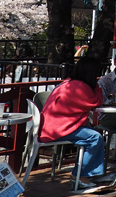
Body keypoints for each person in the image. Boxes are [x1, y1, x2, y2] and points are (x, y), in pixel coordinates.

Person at [39, 56, 105, 188]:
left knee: (94, 133)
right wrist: (97, 87)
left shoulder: (69, 83)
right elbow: (96, 102)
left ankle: (88, 173)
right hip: (60, 129)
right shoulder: (81, 87)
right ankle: (79, 175)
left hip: (51, 126)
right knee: (95, 138)